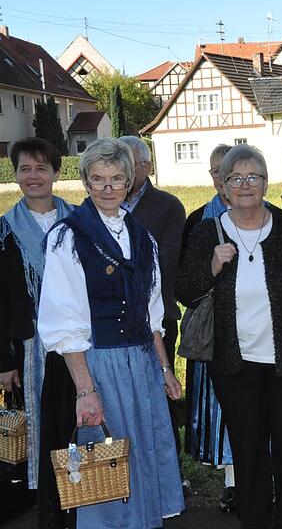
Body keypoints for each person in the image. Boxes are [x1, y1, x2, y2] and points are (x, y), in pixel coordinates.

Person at [176, 144, 282, 529]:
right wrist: (213, 265)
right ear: (223, 186)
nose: (245, 184)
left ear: (265, 182)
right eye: (236, 178)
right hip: (234, 365)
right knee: (248, 449)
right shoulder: (205, 232)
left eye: (254, 177)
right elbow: (184, 290)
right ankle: (255, 518)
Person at [36, 137, 184, 528]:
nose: (107, 187)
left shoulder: (142, 237)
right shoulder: (68, 237)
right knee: (106, 469)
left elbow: (152, 315)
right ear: (85, 181)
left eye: (116, 179)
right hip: (98, 366)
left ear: (130, 181)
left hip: (143, 365)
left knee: (143, 461)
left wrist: (165, 369)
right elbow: (65, 322)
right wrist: (86, 392)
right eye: (98, 178)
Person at [0, 138, 73, 494]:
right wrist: (3, 360)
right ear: (15, 175)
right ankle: (46, 494)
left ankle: (84, 487)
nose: (33, 176)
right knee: (41, 422)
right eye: (25, 169)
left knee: (77, 417)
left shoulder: (81, 221)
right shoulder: (4, 230)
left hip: (79, 339)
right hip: (30, 346)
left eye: (41, 168)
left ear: (57, 173)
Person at [118, 135, 186, 472]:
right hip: (111, 320)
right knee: (122, 399)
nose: (124, 171)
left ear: (146, 166)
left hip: (158, 315)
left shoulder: (169, 206)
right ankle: (130, 471)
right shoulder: (104, 202)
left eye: (130, 164)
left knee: (162, 389)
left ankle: (170, 470)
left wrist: (118, 273)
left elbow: (168, 260)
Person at [180, 143, 238, 512]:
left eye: (229, 170)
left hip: (257, 332)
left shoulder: (269, 217)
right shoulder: (198, 220)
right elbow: (185, 286)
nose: (222, 178)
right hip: (214, 333)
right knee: (222, 411)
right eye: (216, 171)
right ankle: (232, 480)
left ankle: (261, 476)